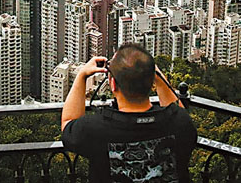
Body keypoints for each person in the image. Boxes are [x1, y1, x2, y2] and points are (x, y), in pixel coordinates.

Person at [60, 43, 198, 182]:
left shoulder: (95, 129)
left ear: (112, 84)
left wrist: (82, 75)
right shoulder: (179, 122)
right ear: (152, 82)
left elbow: (68, 124)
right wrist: (155, 76)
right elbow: (177, 110)